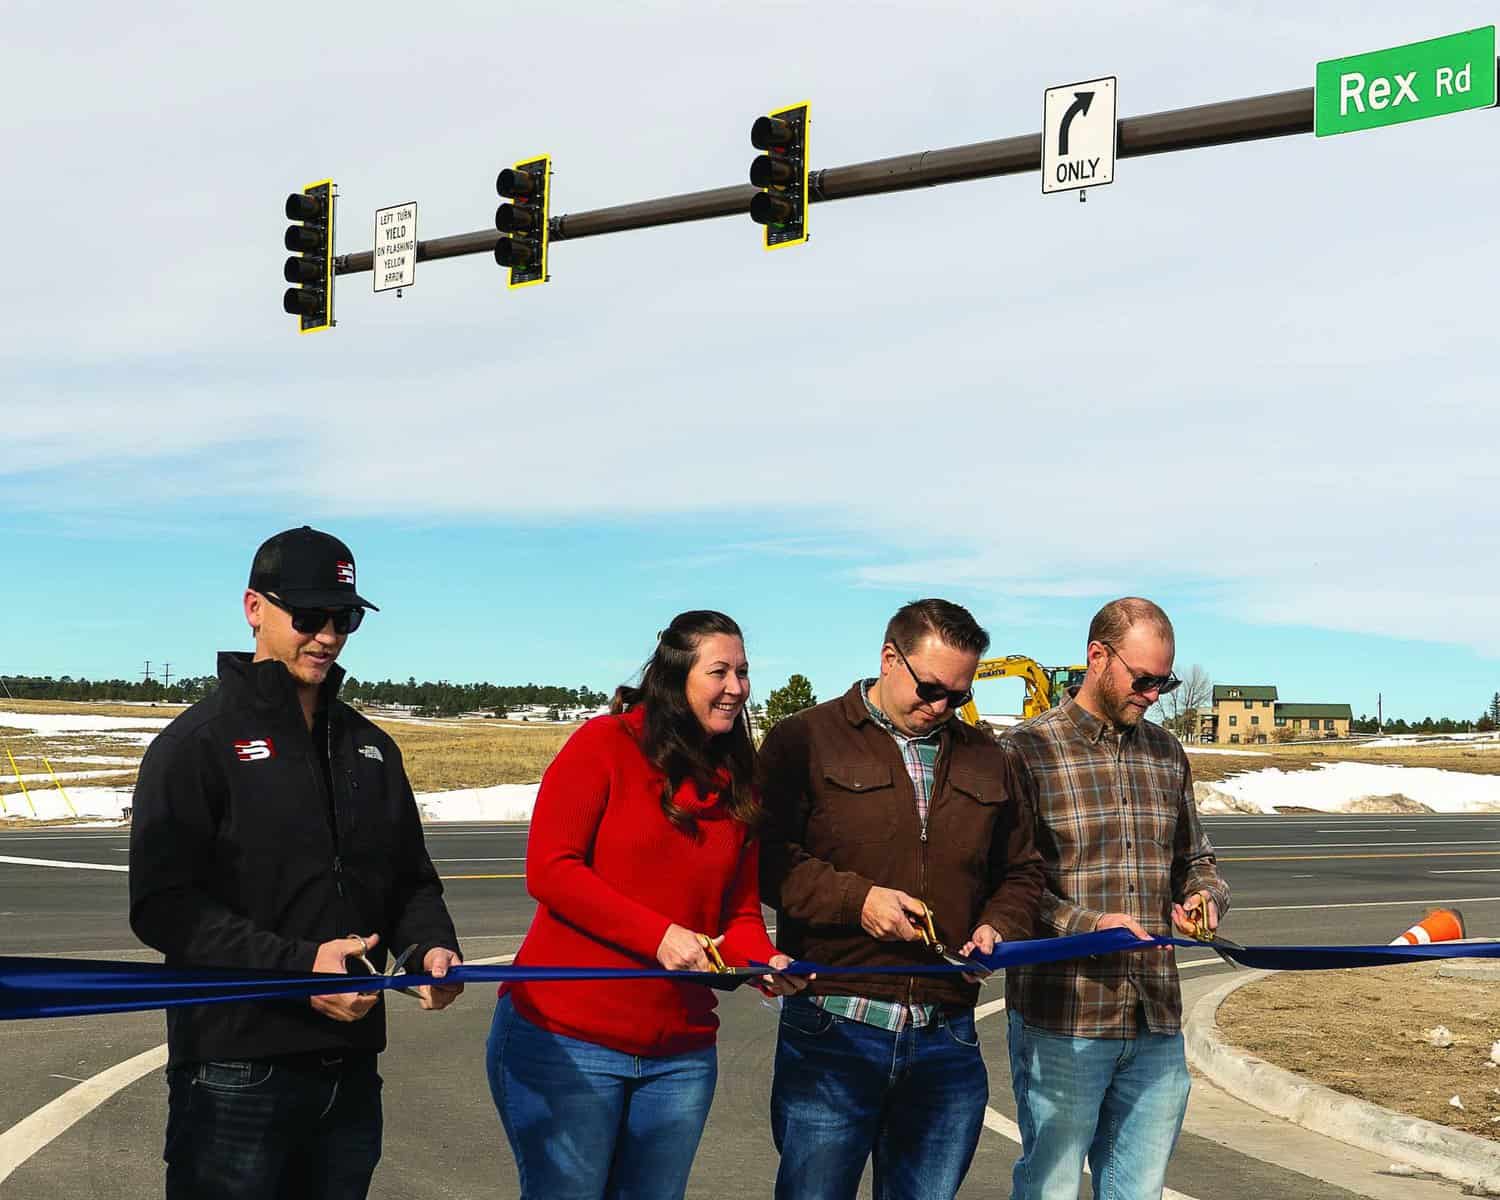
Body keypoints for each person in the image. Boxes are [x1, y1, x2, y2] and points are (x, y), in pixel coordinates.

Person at [129, 525, 463, 1200]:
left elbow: (409, 880)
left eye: (342, 619)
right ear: (255, 608)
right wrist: (296, 966)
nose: (328, 636)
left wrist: (429, 946)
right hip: (236, 1069)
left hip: (350, 1074)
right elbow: (163, 907)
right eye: (308, 617)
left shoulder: (370, 748)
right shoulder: (198, 743)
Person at [487, 610, 804, 1200]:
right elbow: (551, 869)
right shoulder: (604, 745)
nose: (736, 687)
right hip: (567, 1041)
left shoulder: (739, 780)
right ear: (675, 675)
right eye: (719, 672)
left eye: (743, 672)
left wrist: (764, 963)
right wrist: (657, 935)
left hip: (679, 1054)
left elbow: (735, 916)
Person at [758, 598, 1044, 1200]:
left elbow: (1021, 871)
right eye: (931, 688)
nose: (941, 707)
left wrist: (999, 925)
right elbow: (764, 860)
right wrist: (855, 901)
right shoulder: (802, 739)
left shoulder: (991, 757)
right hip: (834, 1031)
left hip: (947, 1040)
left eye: (958, 696)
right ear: (890, 658)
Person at [1003, 596, 1230, 1200]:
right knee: (1050, 1185)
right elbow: (1009, 887)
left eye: (1166, 680)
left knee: (1138, 1190)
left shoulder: (1166, 754)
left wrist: (1203, 899)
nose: (1155, 693)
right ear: (1097, 657)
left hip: (1155, 1018)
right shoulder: (1026, 752)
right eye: (1145, 678)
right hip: (1065, 1018)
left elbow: (1196, 861)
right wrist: (1089, 924)